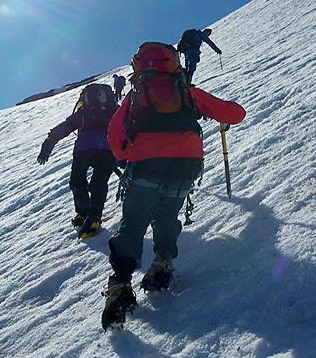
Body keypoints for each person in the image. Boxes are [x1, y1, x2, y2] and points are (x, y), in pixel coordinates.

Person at [101, 42, 246, 330]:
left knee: (134, 223)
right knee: (167, 215)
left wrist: (126, 156)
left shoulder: (136, 95)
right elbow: (235, 113)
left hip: (145, 165)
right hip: (185, 166)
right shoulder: (187, 92)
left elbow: (115, 134)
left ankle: (120, 286)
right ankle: (163, 264)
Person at [37, 83, 118, 239]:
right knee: (98, 183)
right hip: (107, 150)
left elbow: (64, 128)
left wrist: (47, 146)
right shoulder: (113, 110)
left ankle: (84, 213)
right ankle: (93, 218)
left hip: (83, 150)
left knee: (77, 181)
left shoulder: (83, 113)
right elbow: (127, 125)